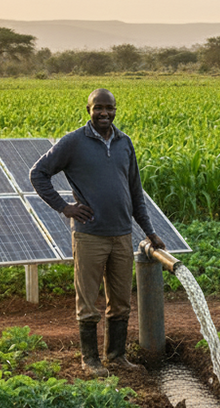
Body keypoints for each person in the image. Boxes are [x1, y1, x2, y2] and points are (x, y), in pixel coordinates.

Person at [30, 88, 165, 377]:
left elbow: (135, 191)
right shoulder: (73, 143)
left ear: (116, 110)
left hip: (121, 235)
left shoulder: (124, 143)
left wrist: (149, 231)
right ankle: (90, 361)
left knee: (121, 301)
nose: (105, 113)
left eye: (110, 108)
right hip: (90, 235)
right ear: (88, 110)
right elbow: (38, 173)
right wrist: (64, 207)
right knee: (88, 301)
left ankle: (116, 357)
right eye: (98, 108)